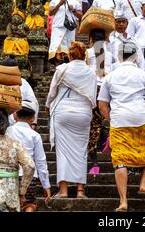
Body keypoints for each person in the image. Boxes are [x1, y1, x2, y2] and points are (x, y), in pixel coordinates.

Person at [98, 41, 145, 212]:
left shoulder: (109, 76)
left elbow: (102, 105)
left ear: (119, 56)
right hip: (141, 118)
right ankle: (143, 183)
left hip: (119, 119)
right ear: (136, 56)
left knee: (120, 160)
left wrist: (111, 118)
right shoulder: (143, 75)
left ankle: (123, 201)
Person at [46, 42, 97, 199]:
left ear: (70, 55)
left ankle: (63, 191)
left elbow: (52, 92)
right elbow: (93, 97)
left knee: (63, 153)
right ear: (84, 55)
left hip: (63, 112)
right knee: (81, 151)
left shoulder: (62, 69)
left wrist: (48, 106)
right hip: (83, 113)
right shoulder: (90, 72)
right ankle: (80, 191)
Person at [6, 100, 51, 211]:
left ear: (15, 115)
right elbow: (41, 161)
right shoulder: (35, 135)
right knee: (29, 204)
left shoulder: (7, 131)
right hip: (30, 176)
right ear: (33, 119)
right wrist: (46, 185)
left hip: (9, 175)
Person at [86, 29, 115, 175]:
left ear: (91, 38)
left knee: (92, 125)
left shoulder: (88, 53)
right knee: (104, 118)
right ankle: (106, 135)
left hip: (93, 90)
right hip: (107, 90)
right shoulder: (109, 55)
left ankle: (94, 163)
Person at [48, 0, 83, 64]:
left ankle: (68, 66)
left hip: (69, 29)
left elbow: (81, 16)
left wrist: (73, 10)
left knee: (69, 49)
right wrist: (59, 4)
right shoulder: (54, 1)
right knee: (57, 50)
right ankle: (58, 68)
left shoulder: (75, 2)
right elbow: (50, 13)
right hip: (57, 28)